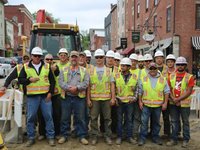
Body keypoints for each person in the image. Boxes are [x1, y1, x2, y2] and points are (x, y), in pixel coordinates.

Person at [18, 47, 56, 147]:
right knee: (31, 118)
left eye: (39, 56)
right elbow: (20, 79)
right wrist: (29, 80)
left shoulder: (47, 66)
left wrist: (50, 93)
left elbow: (53, 81)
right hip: (32, 97)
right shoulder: (26, 67)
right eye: (35, 56)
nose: (37, 58)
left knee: (48, 117)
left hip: (45, 97)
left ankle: (50, 137)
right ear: (31, 56)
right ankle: (31, 138)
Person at [58, 51, 89, 145]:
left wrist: (77, 88)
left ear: (78, 58)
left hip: (79, 98)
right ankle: (64, 135)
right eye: (72, 57)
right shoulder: (63, 70)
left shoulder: (84, 70)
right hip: (66, 97)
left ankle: (82, 135)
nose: (74, 59)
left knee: (81, 117)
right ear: (69, 58)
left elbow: (86, 82)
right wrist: (68, 88)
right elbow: (61, 82)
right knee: (65, 117)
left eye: (76, 57)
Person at [87, 49, 115, 145]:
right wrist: (88, 99)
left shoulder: (108, 70)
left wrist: (113, 98)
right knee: (93, 118)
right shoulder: (91, 70)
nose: (99, 59)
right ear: (95, 58)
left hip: (106, 99)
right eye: (97, 57)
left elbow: (112, 85)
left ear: (104, 58)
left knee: (107, 118)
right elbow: (88, 86)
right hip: (94, 99)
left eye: (101, 57)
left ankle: (107, 136)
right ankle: (94, 136)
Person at [138, 62, 170, 146]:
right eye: (151, 68)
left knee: (156, 122)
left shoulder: (163, 79)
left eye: (154, 68)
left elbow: (166, 92)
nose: (152, 70)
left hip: (157, 106)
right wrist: (140, 102)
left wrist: (165, 103)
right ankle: (142, 137)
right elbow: (140, 91)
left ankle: (155, 137)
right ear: (149, 69)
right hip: (146, 105)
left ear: (157, 69)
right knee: (144, 122)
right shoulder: (144, 78)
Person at [166, 56, 195, 148]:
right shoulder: (171, 76)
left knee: (185, 121)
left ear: (185, 65)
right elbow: (168, 89)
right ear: (176, 65)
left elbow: (189, 91)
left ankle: (186, 139)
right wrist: (173, 99)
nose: (180, 66)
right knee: (174, 121)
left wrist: (178, 99)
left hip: (184, 104)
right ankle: (174, 139)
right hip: (173, 103)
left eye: (182, 64)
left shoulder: (189, 77)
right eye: (178, 64)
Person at [37, 53, 61, 141]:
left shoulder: (55, 67)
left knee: (56, 114)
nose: (49, 61)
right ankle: (42, 133)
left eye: (51, 59)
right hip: (43, 95)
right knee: (42, 115)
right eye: (47, 59)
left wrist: (54, 70)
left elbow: (57, 73)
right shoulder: (41, 67)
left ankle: (57, 133)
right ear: (44, 60)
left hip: (55, 94)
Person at [114, 58, 137, 145]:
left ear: (128, 67)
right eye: (121, 65)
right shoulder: (116, 76)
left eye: (124, 66)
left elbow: (137, 89)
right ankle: (119, 137)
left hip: (130, 103)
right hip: (119, 102)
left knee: (129, 120)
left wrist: (134, 98)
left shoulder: (135, 77)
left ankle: (129, 137)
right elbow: (113, 89)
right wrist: (116, 98)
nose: (122, 67)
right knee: (119, 120)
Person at [154, 50, 170, 137]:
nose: (159, 60)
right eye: (157, 58)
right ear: (155, 59)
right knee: (154, 117)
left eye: (160, 58)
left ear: (163, 59)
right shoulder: (152, 68)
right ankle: (153, 133)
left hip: (165, 95)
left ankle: (167, 133)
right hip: (155, 95)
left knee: (166, 116)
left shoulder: (167, 69)